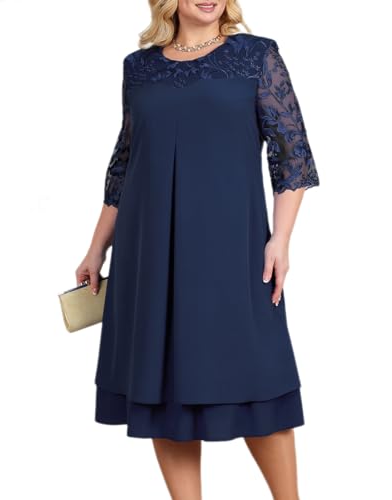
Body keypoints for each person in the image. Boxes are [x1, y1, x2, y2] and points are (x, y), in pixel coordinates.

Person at [76, 0, 320, 498]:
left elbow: (291, 153)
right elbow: (125, 163)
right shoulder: (138, 67)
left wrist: (281, 238)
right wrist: (96, 248)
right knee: (163, 384)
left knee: (258, 377)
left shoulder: (256, 55)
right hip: (148, 249)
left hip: (232, 246)